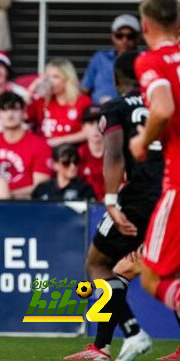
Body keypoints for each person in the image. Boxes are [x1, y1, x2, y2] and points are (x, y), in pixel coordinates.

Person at [65, 50, 163, 361]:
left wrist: (110, 201)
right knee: (125, 271)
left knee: (97, 265)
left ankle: (133, 333)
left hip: (138, 197)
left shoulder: (116, 107)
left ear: (116, 78)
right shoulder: (166, 107)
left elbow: (115, 154)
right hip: (170, 196)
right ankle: (102, 347)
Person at [130, 0, 180, 330]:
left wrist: (142, 141)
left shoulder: (152, 60)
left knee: (150, 275)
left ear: (145, 26)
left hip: (178, 181)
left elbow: (162, 108)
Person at [0, 91, 52, 199]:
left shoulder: (39, 144)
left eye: (15, 109)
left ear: (24, 112)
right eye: (4, 110)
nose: (10, 115)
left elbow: (41, 186)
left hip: (26, 206)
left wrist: (8, 196)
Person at [27, 58, 92, 147]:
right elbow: (21, 115)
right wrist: (33, 87)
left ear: (67, 79)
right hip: (45, 152)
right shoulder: (42, 101)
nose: (50, 81)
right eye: (47, 77)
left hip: (71, 152)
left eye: (55, 77)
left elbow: (89, 132)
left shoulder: (82, 101)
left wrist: (60, 141)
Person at [81, 14, 141, 105]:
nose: (124, 40)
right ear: (112, 37)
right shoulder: (100, 59)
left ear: (137, 39)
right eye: (119, 36)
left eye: (130, 36)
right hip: (100, 112)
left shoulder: (144, 60)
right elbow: (84, 89)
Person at [31, 144, 96, 201]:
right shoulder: (42, 189)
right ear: (55, 165)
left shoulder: (85, 189)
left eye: (76, 162)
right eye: (66, 163)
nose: (72, 166)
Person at [78, 106, 105, 201]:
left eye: (99, 122)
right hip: (85, 207)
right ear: (83, 127)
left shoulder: (117, 152)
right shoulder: (78, 155)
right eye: (90, 123)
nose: (95, 128)